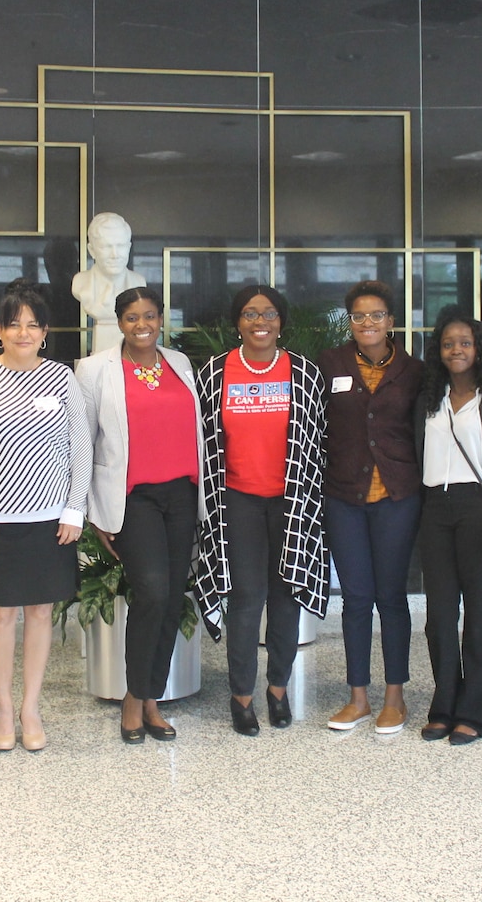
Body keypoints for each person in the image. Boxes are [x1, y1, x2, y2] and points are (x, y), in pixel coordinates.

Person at [0, 279, 90, 753]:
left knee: (40, 612)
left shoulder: (61, 378)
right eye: (14, 325)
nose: (24, 333)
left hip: (51, 519)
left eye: (33, 325)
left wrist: (75, 507)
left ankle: (31, 707)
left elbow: (80, 446)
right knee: (0, 614)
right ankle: (3, 708)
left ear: (45, 332)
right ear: (0, 330)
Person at [193, 285, 328, 737]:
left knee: (286, 597)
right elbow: (202, 443)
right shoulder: (213, 373)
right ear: (238, 322)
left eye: (269, 313)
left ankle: (278, 689)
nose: (260, 322)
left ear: (281, 321)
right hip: (238, 500)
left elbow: (318, 443)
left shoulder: (304, 374)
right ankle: (242, 696)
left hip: (292, 500)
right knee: (247, 600)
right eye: (250, 314)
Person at [75, 287, 205, 744]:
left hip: (183, 495)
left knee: (172, 599)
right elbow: (82, 442)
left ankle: (152, 698)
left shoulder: (180, 364)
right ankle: (133, 698)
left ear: (161, 318)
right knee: (150, 592)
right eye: (131, 317)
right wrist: (93, 512)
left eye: (149, 316)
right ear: (119, 322)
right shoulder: (94, 370)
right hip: (133, 500)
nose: (142, 325)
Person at [413, 308, 482, 745]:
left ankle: (473, 713)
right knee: (439, 616)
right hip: (434, 510)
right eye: (447, 343)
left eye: (464, 342)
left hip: (481, 509)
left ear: (478, 349)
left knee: (479, 614)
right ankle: (444, 706)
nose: (456, 350)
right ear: (438, 352)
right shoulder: (429, 398)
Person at [318, 280, 424, 734]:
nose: (367, 323)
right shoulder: (329, 365)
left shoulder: (414, 371)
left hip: (397, 496)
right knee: (357, 598)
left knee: (391, 597)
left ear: (391, 321)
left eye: (376, 315)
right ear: (350, 321)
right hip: (343, 496)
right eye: (358, 316)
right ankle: (358, 696)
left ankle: (394, 698)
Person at [71, 212, 147, 356]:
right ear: (91, 250)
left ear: (129, 248)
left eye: (121, 246)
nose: (115, 254)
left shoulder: (138, 282)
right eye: (106, 247)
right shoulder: (80, 284)